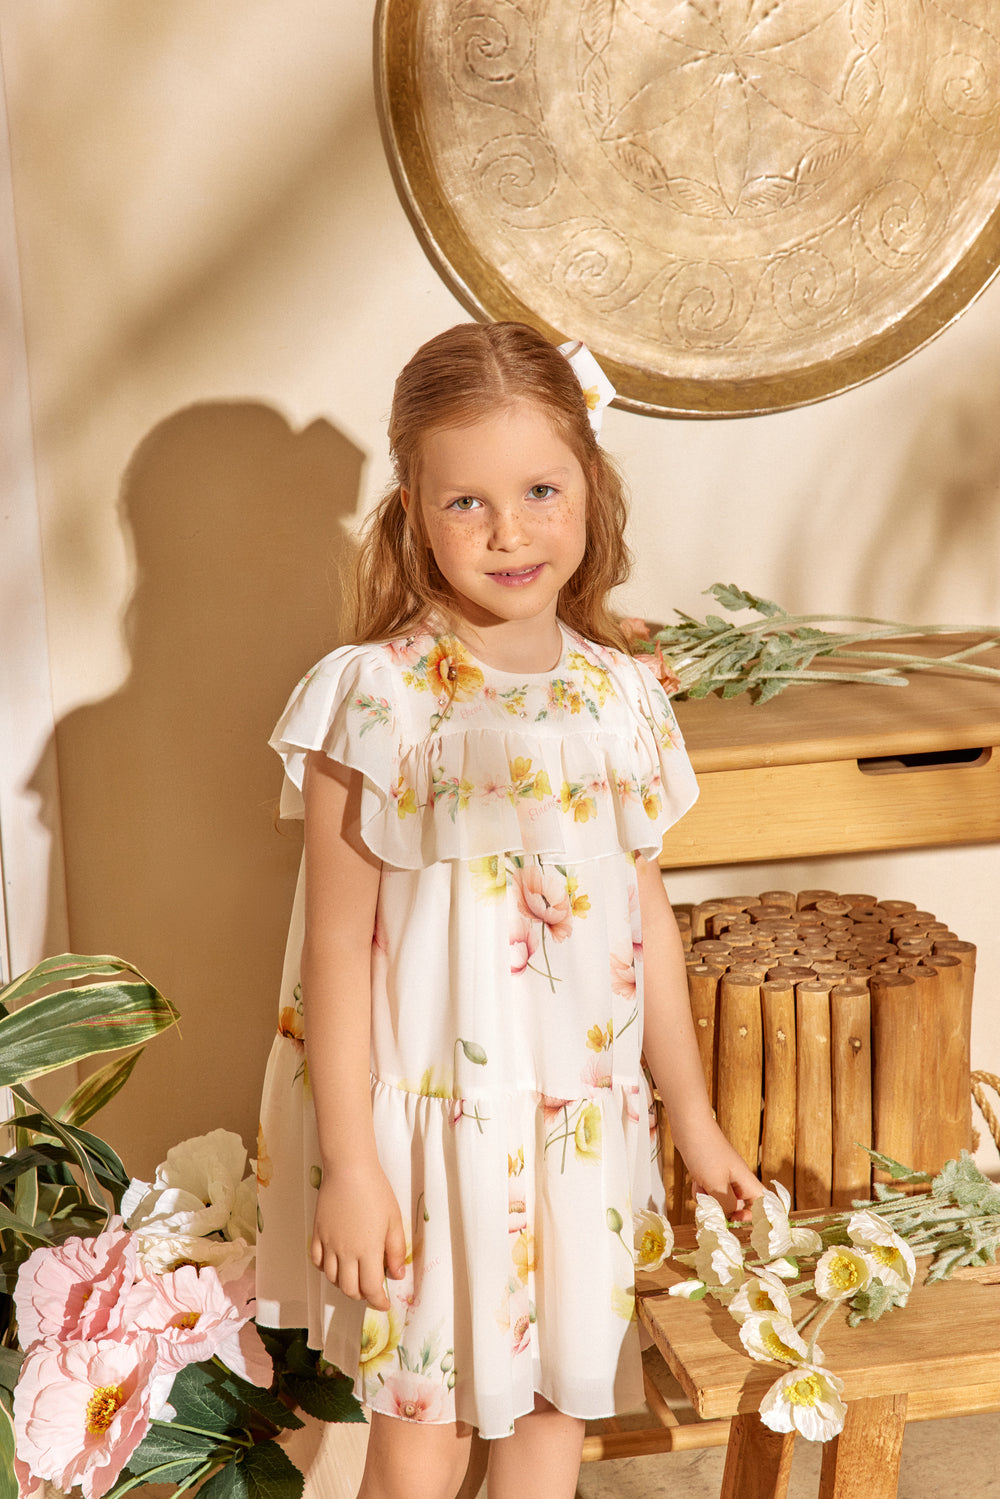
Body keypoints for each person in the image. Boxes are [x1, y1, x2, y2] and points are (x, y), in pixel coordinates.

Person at [255, 322, 761, 1499]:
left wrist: (692, 1118)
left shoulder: (621, 694)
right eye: (466, 502)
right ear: (413, 513)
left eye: (540, 490)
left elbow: (643, 919)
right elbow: (334, 949)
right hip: (428, 1142)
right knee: (420, 1443)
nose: (509, 531)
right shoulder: (375, 698)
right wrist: (352, 1164)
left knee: (551, 1420)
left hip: (581, 1133)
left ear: (590, 484)